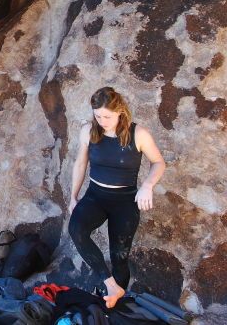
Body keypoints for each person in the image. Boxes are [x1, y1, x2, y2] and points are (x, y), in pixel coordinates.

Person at [67, 87, 166, 309]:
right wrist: (74, 196)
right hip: (95, 195)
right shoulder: (88, 131)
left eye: (107, 116)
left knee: (119, 256)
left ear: (120, 111)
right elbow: (80, 164)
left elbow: (158, 162)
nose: (102, 121)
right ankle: (111, 285)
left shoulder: (138, 134)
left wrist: (147, 185)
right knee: (76, 229)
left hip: (125, 201)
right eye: (98, 116)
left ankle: (115, 305)